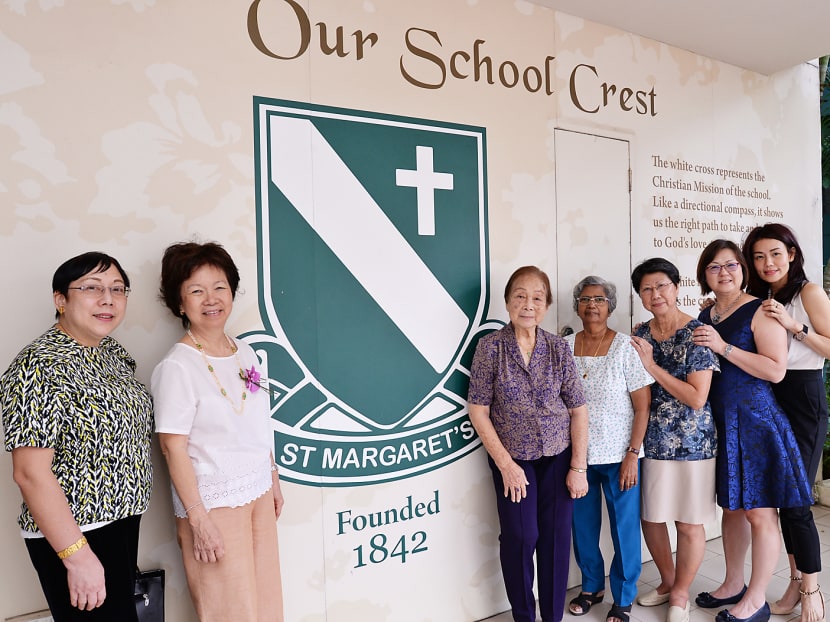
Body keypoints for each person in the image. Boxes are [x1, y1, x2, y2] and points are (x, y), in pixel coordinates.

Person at [0, 252, 153, 621]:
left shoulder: (112, 354)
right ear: (60, 300)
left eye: (118, 289)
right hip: (77, 533)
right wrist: (78, 557)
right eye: (91, 288)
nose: (108, 299)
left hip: (120, 522)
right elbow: (30, 473)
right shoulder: (37, 365)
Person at [151, 241, 284, 621]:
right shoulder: (177, 366)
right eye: (196, 290)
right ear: (179, 303)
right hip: (212, 504)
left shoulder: (244, 351)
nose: (211, 299)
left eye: (219, 287)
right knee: (230, 611)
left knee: (267, 604)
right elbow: (172, 449)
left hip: (256, 491)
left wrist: (271, 476)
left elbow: (257, 422)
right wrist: (199, 521)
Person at [692, 239, 813, 622]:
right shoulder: (707, 314)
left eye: (731, 265)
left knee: (761, 514)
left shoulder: (762, 311)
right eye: (714, 266)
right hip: (722, 423)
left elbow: (775, 370)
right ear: (703, 274)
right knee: (731, 509)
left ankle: (756, 600)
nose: (723, 272)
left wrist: (724, 347)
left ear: (743, 269)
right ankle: (732, 583)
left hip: (757, 423)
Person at [467, 265, 589, 622]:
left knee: (554, 541)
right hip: (513, 459)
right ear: (507, 301)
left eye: (537, 297)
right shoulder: (490, 348)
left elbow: (578, 410)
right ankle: (524, 615)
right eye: (520, 295)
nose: (528, 304)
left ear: (547, 305)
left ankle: (552, 618)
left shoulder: (557, 348)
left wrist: (578, 467)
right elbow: (478, 410)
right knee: (521, 536)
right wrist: (506, 465)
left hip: (558, 455)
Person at [629, 258, 718, 622]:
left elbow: (697, 397)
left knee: (687, 522)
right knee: (651, 517)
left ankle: (682, 593)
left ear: (676, 288)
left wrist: (652, 367)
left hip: (693, 443)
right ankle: (667, 582)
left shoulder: (697, 333)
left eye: (662, 285)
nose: (656, 294)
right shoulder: (640, 334)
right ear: (641, 296)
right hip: (651, 442)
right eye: (647, 289)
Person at [564, 276, 652, 622]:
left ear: (610, 306)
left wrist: (633, 453)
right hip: (577, 457)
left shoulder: (626, 347)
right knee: (582, 527)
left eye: (600, 299)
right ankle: (591, 587)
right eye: (585, 299)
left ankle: (624, 595)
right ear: (577, 306)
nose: (592, 305)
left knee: (624, 529)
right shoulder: (564, 347)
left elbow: (643, 407)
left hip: (620, 457)